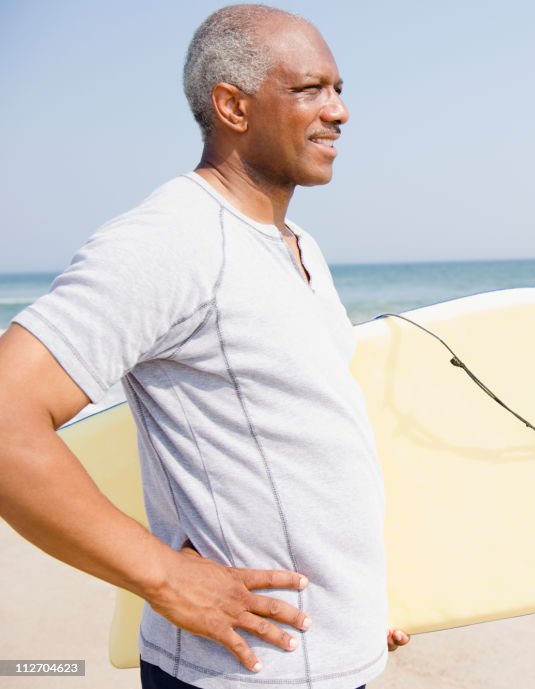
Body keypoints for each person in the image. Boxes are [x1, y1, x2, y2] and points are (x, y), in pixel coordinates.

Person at [0, 4, 408, 688]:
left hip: (327, 655)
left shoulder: (300, 246)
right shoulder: (173, 240)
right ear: (233, 106)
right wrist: (164, 575)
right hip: (244, 672)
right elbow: (7, 417)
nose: (338, 111)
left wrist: (354, 605)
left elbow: (300, 445)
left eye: (339, 89)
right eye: (309, 89)